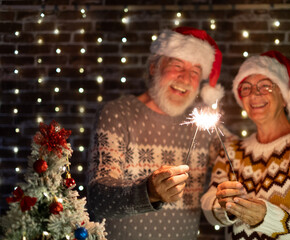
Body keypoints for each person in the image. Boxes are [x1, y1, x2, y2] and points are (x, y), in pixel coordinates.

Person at [86, 26, 226, 240]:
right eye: (177, 65)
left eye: (195, 72)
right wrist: (148, 191)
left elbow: (237, 153)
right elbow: (99, 199)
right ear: (154, 67)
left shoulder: (203, 126)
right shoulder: (117, 114)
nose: (185, 78)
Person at [201, 51, 290, 240]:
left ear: (284, 98)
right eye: (246, 88)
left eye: (265, 86)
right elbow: (209, 207)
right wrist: (223, 205)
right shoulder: (231, 150)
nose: (254, 94)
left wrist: (266, 217)